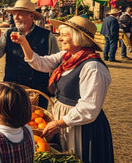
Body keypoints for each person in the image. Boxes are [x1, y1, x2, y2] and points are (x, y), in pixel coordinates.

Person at [16, 16, 114, 162]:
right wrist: (24, 43)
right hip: (65, 121)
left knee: (80, 157)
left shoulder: (93, 68)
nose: (60, 39)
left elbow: (89, 108)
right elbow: (40, 63)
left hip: (82, 127)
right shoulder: (67, 57)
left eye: (64, 35)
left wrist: (58, 123)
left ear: (77, 37)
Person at [0, 0, 59, 108]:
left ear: (31, 16)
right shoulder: (8, 33)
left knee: (35, 122)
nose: (15, 17)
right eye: (14, 14)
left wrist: (52, 85)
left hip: (37, 92)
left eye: (20, 14)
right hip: (12, 88)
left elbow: (57, 64)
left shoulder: (47, 36)